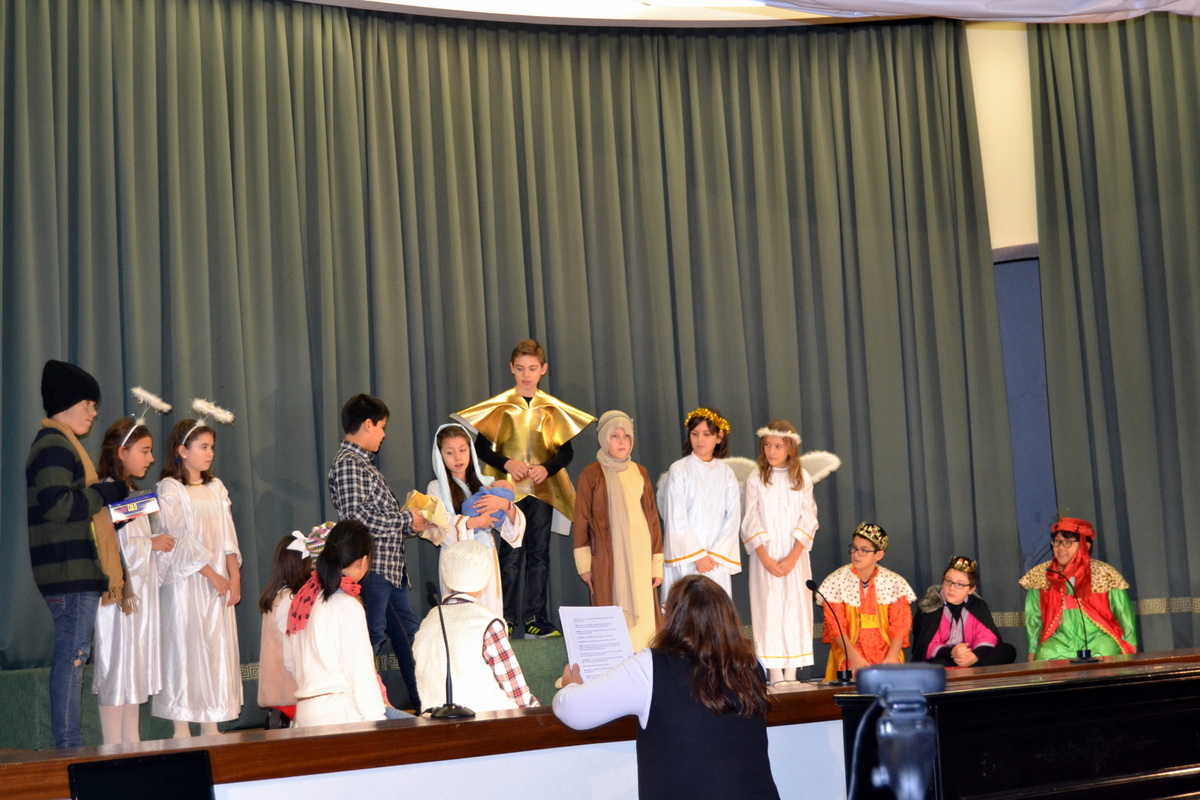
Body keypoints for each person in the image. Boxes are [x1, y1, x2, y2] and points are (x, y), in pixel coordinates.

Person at [553, 574, 780, 800]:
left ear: (674, 618)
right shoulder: (753, 665)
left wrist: (570, 686)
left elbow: (572, 711)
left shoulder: (651, 666)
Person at [454, 338, 595, 638]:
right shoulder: (501, 406)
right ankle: (504, 617)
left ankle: (535, 618)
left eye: (532, 368)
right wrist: (506, 463)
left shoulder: (552, 408)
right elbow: (481, 447)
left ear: (543, 369)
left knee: (539, 554)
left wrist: (547, 468)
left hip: (542, 492)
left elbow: (565, 452)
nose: (526, 375)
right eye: (520, 368)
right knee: (511, 553)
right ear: (511, 368)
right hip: (510, 493)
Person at [26, 360, 131, 748]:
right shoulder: (54, 445)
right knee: (72, 657)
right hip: (67, 572)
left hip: (74, 569)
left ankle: (69, 743)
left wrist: (113, 511)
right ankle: (69, 746)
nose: (93, 412)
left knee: (75, 656)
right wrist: (102, 494)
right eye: (88, 404)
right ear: (67, 403)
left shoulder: (60, 444)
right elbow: (58, 506)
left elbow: (76, 515)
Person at [327, 393, 431, 711]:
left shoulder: (363, 464)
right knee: (368, 638)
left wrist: (413, 523)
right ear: (368, 424)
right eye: (382, 427)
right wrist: (406, 519)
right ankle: (357, 709)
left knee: (410, 639)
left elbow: (376, 519)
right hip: (370, 570)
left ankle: (427, 704)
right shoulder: (349, 464)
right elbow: (358, 522)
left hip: (389, 570)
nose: (384, 434)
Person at [153, 416, 243, 737]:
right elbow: (177, 538)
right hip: (186, 584)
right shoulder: (170, 489)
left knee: (215, 650)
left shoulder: (216, 487)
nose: (210, 453)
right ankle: (181, 727)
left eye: (211, 447)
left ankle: (211, 724)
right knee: (185, 649)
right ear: (183, 451)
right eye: (203, 447)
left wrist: (234, 576)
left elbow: (228, 537)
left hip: (217, 584)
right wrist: (212, 575)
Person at [92, 417, 177, 744]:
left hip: (137, 597)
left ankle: (131, 743)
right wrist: (149, 544)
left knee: (132, 672)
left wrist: (154, 545)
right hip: (117, 600)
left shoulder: (129, 492)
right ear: (122, 452)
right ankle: (113, 745)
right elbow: (109, 545)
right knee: (117, 669)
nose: (151, 459)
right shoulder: (105, 490)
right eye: (144, 450)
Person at [287, 520, 397, 727]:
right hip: (339, 714)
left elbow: (290, 661)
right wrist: (377, 722)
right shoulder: (346, 604)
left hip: (305, 713)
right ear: (363, 560)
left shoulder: (305, 599)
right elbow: (360, 673)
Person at [572, 410, 664, 651]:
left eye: (626, 436)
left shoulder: (640, 472)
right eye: (615, 436)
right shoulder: (591, 474)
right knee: (611, 613)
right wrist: (585, 566)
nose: (622, 442)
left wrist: (656, 565)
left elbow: (653, 520)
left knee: (645, 617)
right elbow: (581, 520)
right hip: (607, 560)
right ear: (604, 438)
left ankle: (644, 662)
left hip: (641, 558)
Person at [413, 540, 541, 713]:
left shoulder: (429, 620)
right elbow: (518, 694)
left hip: (434, 721)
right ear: (485, 575)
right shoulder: (487, 622)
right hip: (483, 722)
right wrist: (541, 716)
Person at [741, 420, 823, 684]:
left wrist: (794, 555)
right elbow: (750, 519)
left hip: (794, 557)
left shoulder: (802, 478)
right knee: (769, 609)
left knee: (795, 609)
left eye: (778, 446)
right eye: (767, 445)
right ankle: (775, 674)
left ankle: (792, 673)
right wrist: (765, 557)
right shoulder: (756, 478)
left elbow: (808, 517)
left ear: (790, 448)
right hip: (765, 557)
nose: (771, 451)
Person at [426, 423, 526, 618]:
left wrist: (505, 505)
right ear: (440, 455)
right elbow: (440, 527)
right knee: (462, 619)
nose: (458, 457)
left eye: (463, 450)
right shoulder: (435, 488)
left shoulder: (487, 484)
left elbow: (512, 529)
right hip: (457, 563)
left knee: (488, 615)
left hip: (486, 557)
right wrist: (476, 522)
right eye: (450, 452)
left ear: (470, 450)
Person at [1019, 517, 1137, 661]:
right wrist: (1033, 649)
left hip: (1099, 639)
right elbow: (1034, 617)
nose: (1060, 548)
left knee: (1108, 652)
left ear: (1085, 545)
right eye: (1057, 542)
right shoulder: (1041, 575)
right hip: (1059, 641)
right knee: (1044, 655)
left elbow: (1123, 613)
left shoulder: (1105, 573)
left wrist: (1131, 643)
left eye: (1067, 542)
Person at [658, 407, 741, 601]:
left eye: (706, 434)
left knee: (715, 610)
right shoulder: (679, 470)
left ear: (719, 437)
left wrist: (715, 556)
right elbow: (675, 517)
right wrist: (698, 555)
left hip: (715, 562)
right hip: (686, 559)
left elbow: (733, 517)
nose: (699, 440)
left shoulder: (726, 473)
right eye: (694, 434)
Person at [817, 522, 916, 680]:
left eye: (864, 550)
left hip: (887, 652)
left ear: (879, 555)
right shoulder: (836, 581)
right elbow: (835, 625)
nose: (856, 554)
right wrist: (853, 657)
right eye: (854, 548)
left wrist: (892, 656)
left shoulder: (894, 582)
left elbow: (900, 625)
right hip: (849, 651)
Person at [257, 528, 318, 728]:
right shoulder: (289, 601)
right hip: (289, 700)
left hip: (290, 699)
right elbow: (292, 651)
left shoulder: (283, 597)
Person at [912, 556, 1016, 668]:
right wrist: (952, 652)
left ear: (971, 589)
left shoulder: (977, 606)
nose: (951, 588)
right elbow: (927, 645)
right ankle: (971, 669)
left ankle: (970, 666)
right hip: (945, 657)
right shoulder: (930, 606)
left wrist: (974, 657)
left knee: (1008, 650)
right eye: (948, 581)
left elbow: (987, 636)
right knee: (938, 664)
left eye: (960, 584)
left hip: (971, 655)